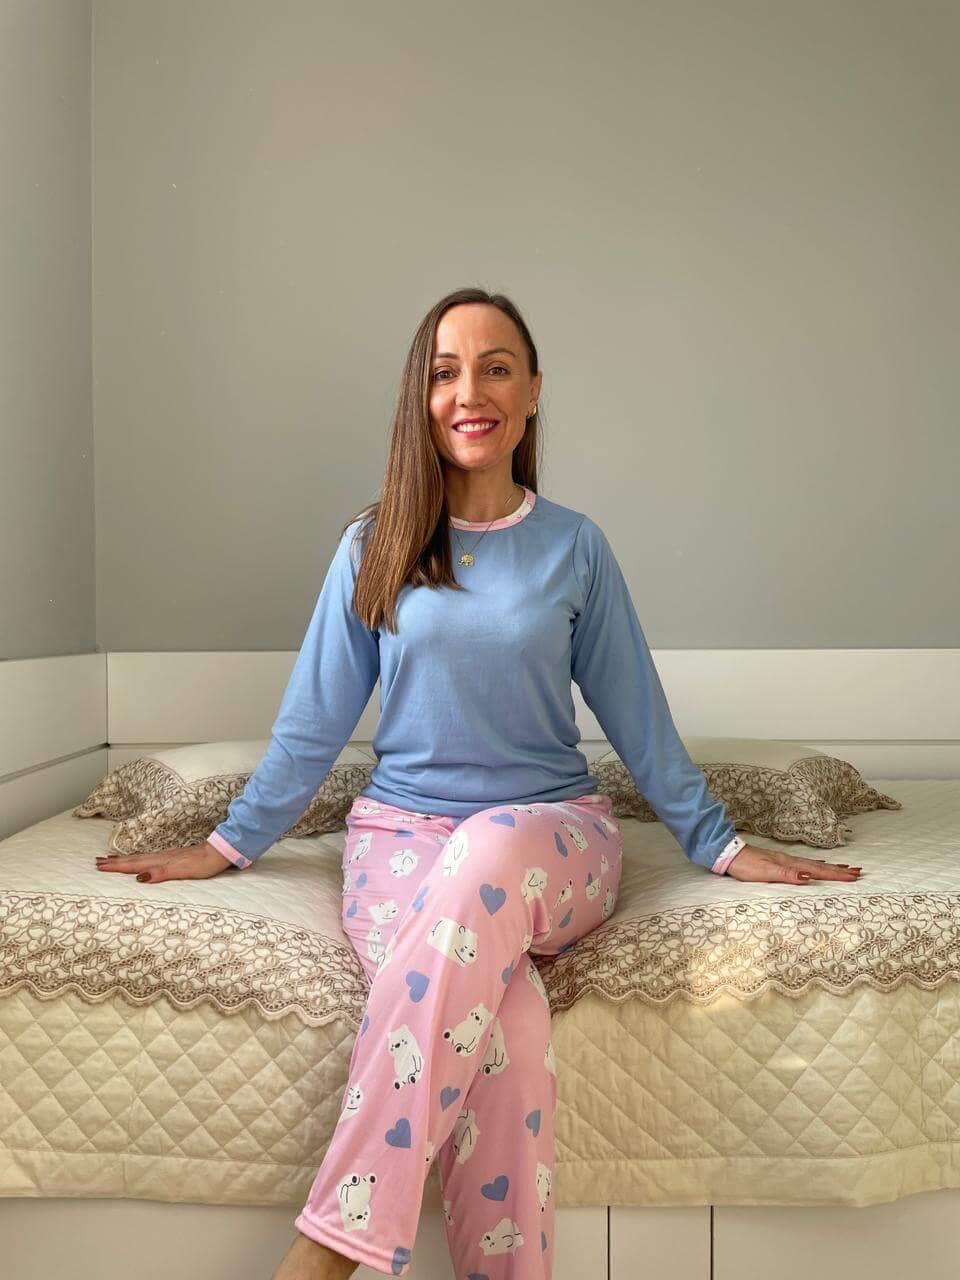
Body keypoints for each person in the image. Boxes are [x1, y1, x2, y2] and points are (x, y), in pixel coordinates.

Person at [96, 288, 863, 1279]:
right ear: (420, 398)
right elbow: (313, 723)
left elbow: (638, 715)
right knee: (508, 1035)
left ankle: (328, 1248)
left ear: (533, 391)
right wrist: (226, 842)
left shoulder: (575, 547)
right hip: (399, 841)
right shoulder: (373, 544)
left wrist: (719, 842)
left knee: (490, 847)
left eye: (496, 368)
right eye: (446, 371)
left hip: (552, 837)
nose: (471, 391)